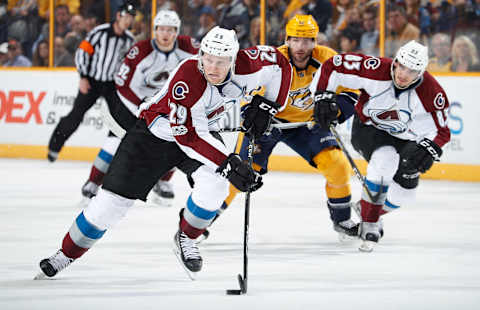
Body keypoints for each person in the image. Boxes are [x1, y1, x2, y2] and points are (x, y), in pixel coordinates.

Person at [34, 26, 292, 280]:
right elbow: (187, 135)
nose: (212, 67)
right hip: (155, 135)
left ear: (234, 59)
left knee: (216, 186)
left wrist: (269, 105)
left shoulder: (254, 65)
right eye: (207, 58)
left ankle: (187, 237)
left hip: (202, 133)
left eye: (221, 61)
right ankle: (65, 254)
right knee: (110, 205)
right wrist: (228, 163)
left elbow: (282, 64)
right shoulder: (188, 75)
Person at [202, 15, 359, 242]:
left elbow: (351, 92)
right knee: (239, 174)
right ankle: (202, 223)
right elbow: (245, 94)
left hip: (308, 125)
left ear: (315, 41)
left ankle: (342, 220)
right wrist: (250, 113)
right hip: (269, 125)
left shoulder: (328, 59)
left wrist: (336, 111)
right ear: (286, 39)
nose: (301, 47)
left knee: (337, 166)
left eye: (307, 41)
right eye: (295, 40)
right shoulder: (272, 61)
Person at [310, 40, 451, 252]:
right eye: (401, 66)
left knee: (405, 193)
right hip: (368, 128)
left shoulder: (431, 92)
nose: (403, 74)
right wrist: (322, 96)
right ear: (395, 62)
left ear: (420, 73)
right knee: (385, 160)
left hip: (405, 137)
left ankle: (367, 207)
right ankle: (370, 222)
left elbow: (441, 131)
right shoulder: (375, 69)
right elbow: (334, 65)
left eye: (411, 71)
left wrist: (430, 147)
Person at [80, 10, 200, 207]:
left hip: (168, 107)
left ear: (177, 31)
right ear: (155, 30)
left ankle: (162, 182)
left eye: (170, 30)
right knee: (114, 143)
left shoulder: (191, 48)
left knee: (176, 141)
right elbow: (124, 85)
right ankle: (93, 182)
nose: (166, 34)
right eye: (162, 29)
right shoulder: (141, 50)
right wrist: (142, 108)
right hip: (133, 106)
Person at [46, 2, 136, 162]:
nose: (128, 21)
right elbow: (82, 52)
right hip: (92, 81)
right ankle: (54, 147)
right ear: (118, 16)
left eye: (131, 18)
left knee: (121, 119)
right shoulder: (99, 32)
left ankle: (118, 154)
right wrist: (83, 77)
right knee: (75, 116)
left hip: (111, 85)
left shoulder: (129, 40)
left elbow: (128, 64)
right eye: (126, 17)